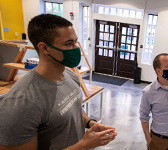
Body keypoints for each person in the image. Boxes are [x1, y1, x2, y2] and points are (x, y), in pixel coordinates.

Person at [0, 14, 117, 150]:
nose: (75, 48)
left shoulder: (70, 75)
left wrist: (90, 123)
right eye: (68, 43)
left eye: (75, 41)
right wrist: (83, 146)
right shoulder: (23, 101)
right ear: (44, 48)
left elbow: (74, 107)